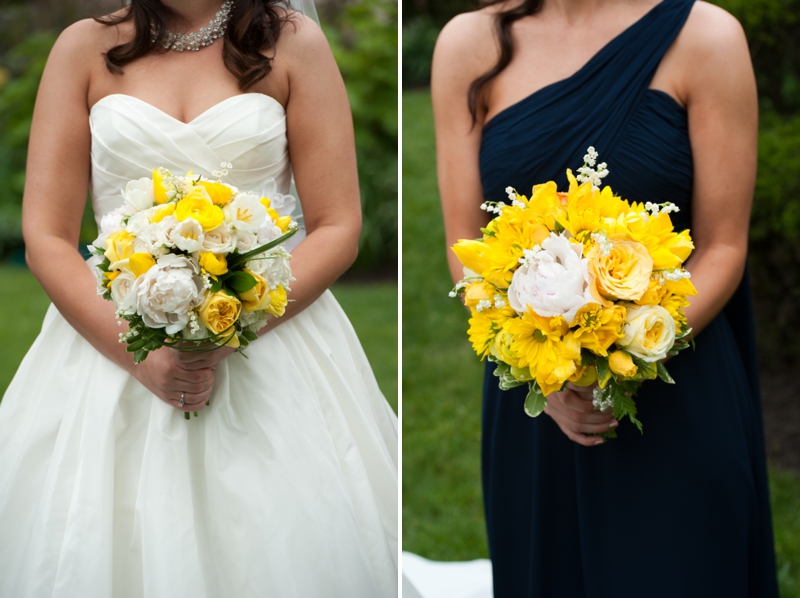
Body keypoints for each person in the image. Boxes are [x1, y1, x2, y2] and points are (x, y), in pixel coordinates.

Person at [0, 1, 398, 596]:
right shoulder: (82, 48)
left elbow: (338, 224)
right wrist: (140, 351)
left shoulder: (294, 45)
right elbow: (47, 236)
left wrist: (231, 325)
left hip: (270, 339)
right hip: (108, 341)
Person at [432, 0, 778, 595]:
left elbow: (723, 246)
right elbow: (466, 246)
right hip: (539, 399)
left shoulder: (707, 37)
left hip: (675, 388)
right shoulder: (471, 43)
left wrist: (626, 357)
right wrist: (553, 374)